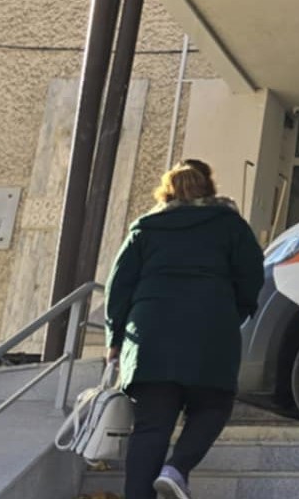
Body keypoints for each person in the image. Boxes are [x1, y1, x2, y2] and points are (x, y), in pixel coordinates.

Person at [106, 161, 264, 499]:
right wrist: (232, 313)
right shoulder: (230, 226)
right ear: (210, 188)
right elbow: (252, 276)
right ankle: (177, 468)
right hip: (211, 332)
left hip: (149, 339)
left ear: (166, 191)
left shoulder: (145, 229)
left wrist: (115, 339)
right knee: (213, 406)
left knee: (150, 428)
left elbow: (118, 287)